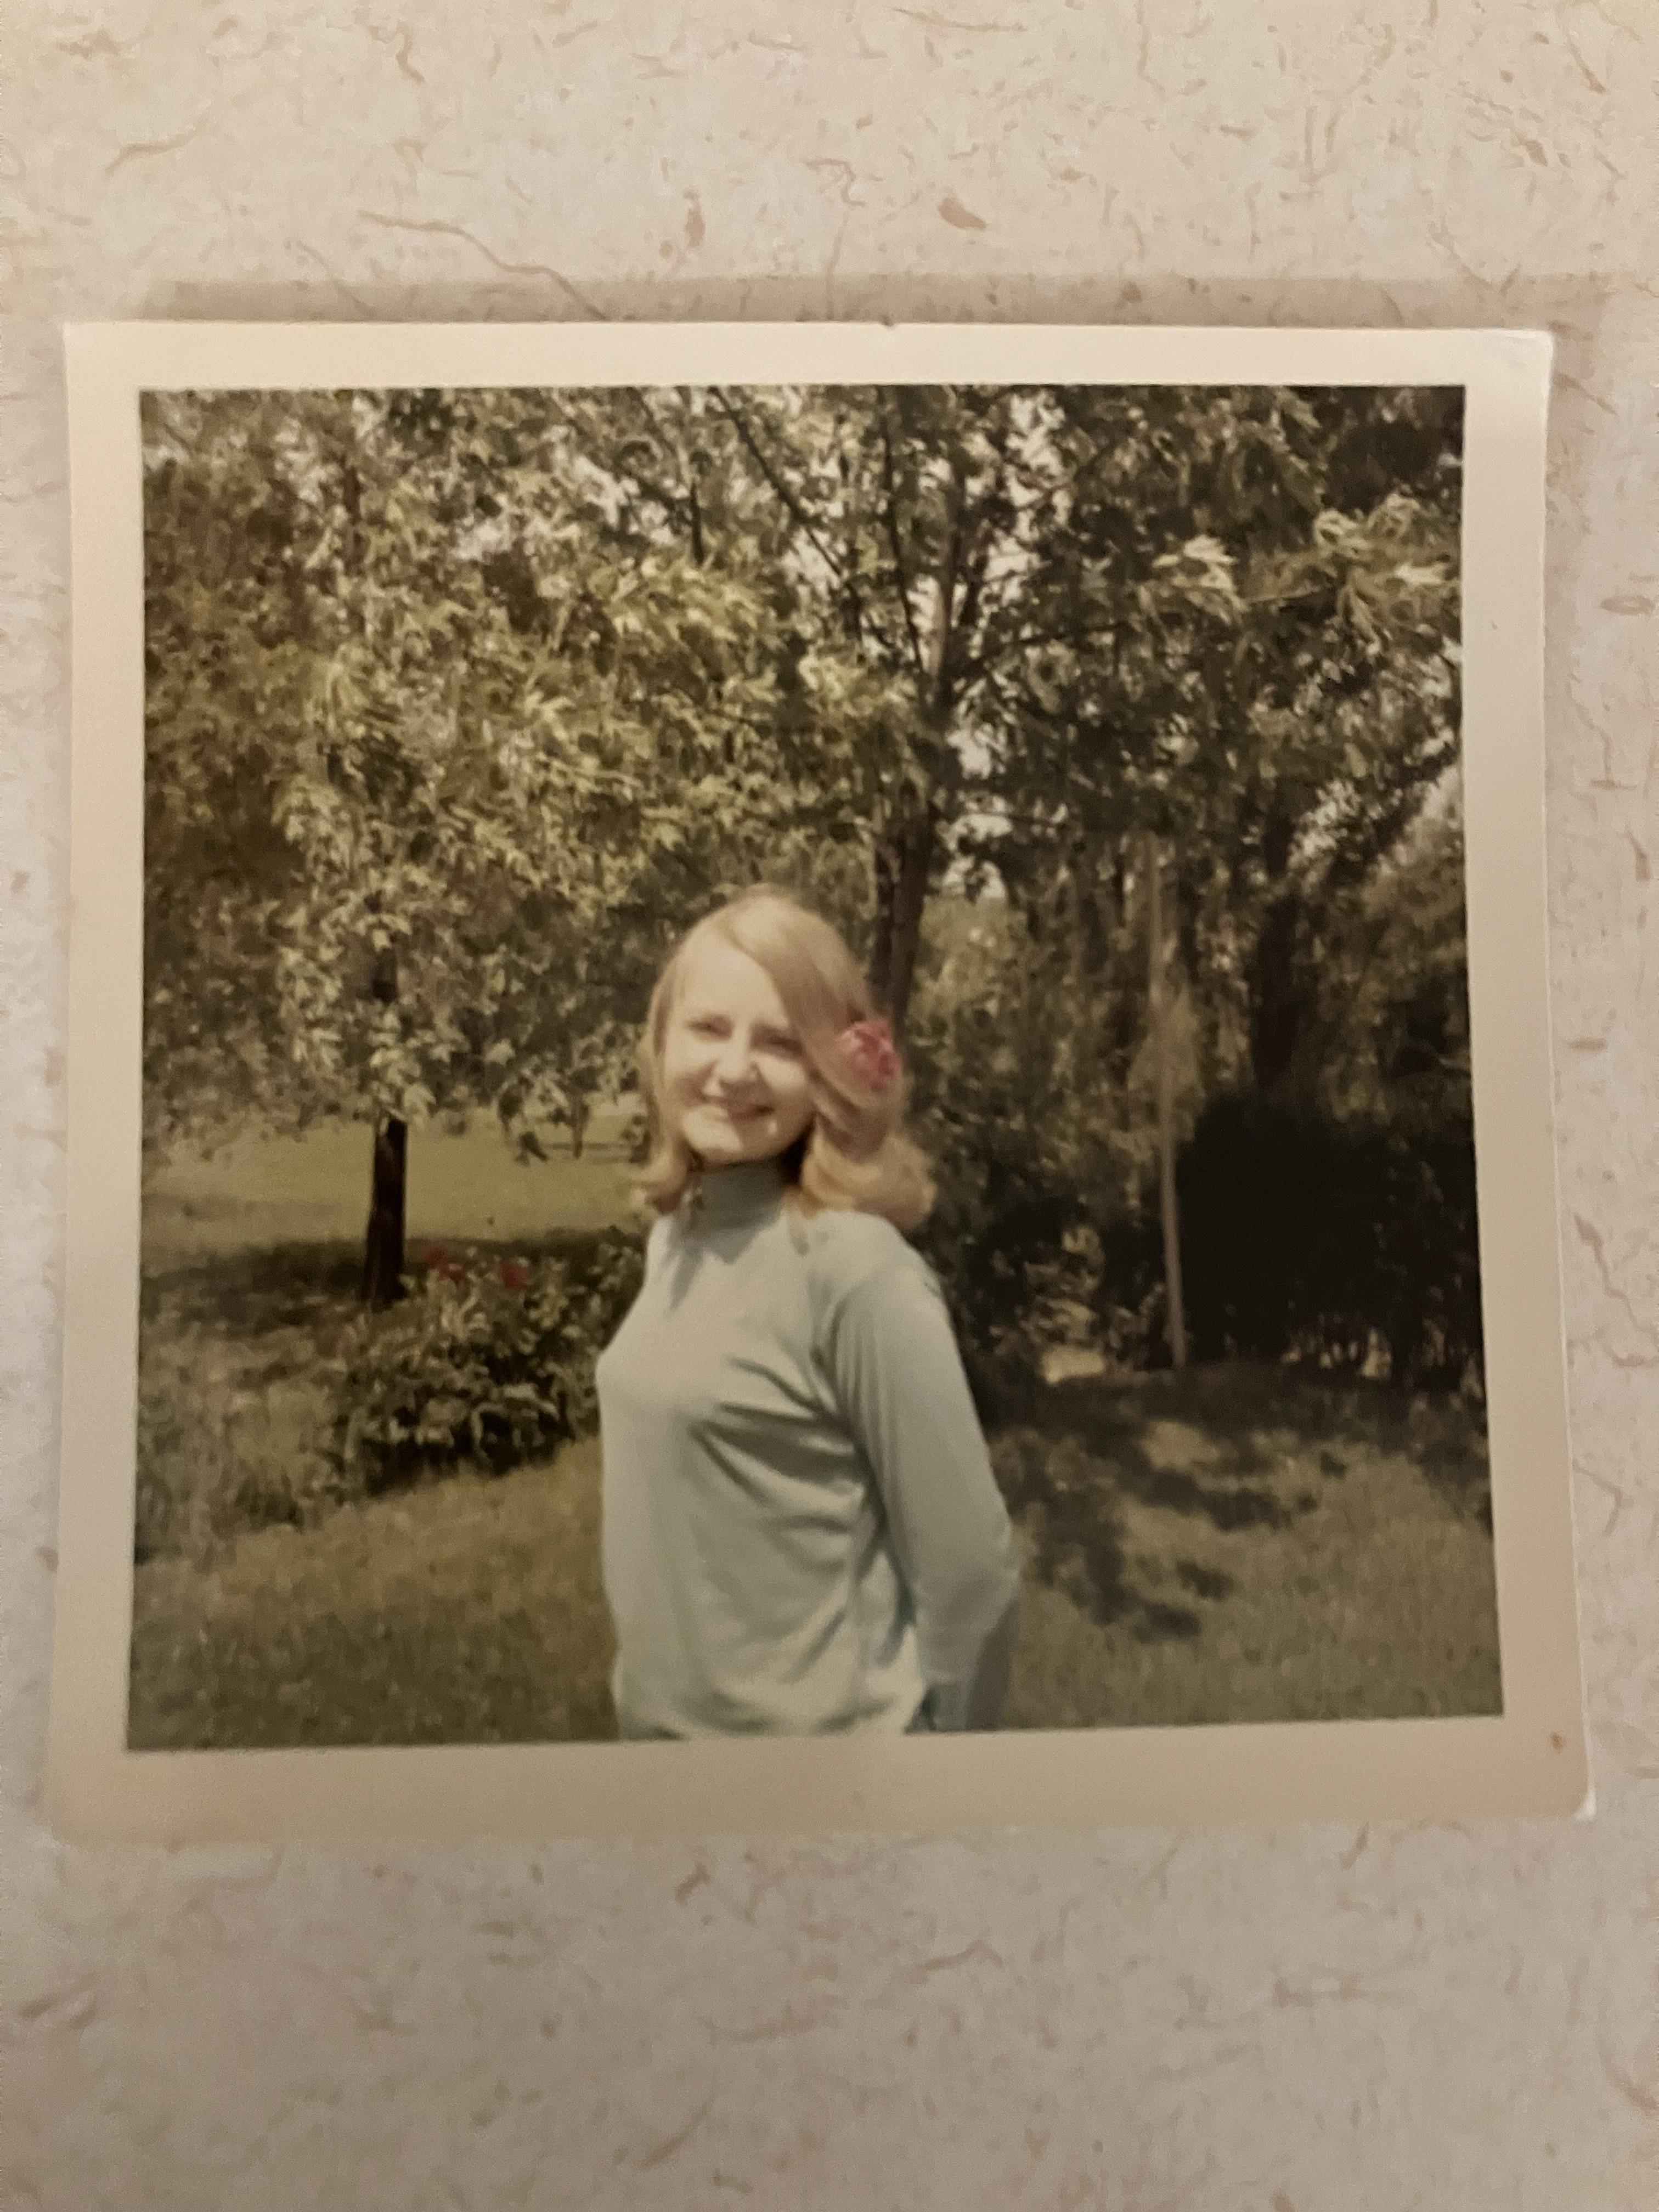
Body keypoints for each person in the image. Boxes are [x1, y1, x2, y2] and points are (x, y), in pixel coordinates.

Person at [595, 885, 1020, 1741]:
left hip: (821, 1788)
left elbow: (972, 1576)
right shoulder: (678, 1236)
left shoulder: (855, 1271)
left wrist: (934, 1792)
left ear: (828, 1070)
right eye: (709, 1028)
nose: (734, 1069)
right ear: (661, 1040)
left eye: (781, 1042)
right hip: (660, 1768)